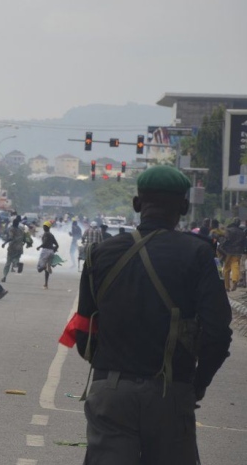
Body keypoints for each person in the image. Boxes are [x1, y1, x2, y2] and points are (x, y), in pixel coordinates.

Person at [59, 166, 231, 464]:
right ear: (184, 207)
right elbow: (217, 333)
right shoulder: (199, 254)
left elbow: (84, 330)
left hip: (110, 392)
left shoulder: (100, 253)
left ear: (137, 204)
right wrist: (196, 384)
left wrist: (110, 369)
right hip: (170, 394)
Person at [0, 216, 29, 282]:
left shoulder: (12, 229)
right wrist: (25, 243)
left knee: (8, 263)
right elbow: (24, 238)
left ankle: (4, 277)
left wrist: (4, 243)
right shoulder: (21, 229)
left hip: (12, 247)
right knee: (16, 259)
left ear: (13, 223)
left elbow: (10, 237)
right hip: (19, 248)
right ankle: (17, 264)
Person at [219, 218, 245, 292]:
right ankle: (234, 280)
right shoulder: (241, 232)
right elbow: (243, 243)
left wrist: (222, 247)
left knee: (227, 269)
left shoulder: (229, 230)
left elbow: (225, 240)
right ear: (239, 224)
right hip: (238, 252)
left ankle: (227, 286)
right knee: (235, 266)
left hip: (228, 252)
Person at [36, 221, 59, 289]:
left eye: (44, 226)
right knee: (47, 270)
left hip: (45, 251)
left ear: (45, 227)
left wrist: (39, 246)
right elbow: (57, 245)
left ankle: (45, 267)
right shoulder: (51, 235)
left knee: (39, 268)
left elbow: (45, 243)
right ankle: (46, 284)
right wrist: (53, 251)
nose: (43, 227)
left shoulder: (46, 234)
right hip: (51, 251)